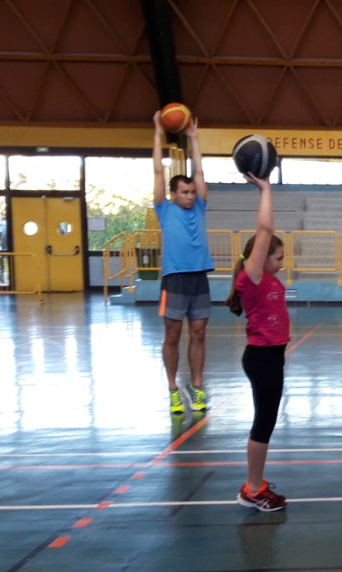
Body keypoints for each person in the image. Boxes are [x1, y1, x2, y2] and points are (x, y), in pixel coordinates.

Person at [226, 174, 288, 512]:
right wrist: (265, 189)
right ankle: (252, 489)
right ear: (259, 258)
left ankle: (256, 484)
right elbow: (264, 230)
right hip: (262, 358)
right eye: (277, 257)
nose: (282, 262)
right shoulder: (251, 280)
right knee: (263, 423)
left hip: (272, 358)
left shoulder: (272, 282)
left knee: (267, 421)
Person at [152, 110, 214, 414]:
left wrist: (193, 138)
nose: (190, 196)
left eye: (191, 192)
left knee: (199, 334)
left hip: (198, 278)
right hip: (174, 279)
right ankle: (173, 389)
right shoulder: (164, 209)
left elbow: (199, 173)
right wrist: (158, 133)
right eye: (185, 192)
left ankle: (198, 386)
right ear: (174, 194)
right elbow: (157, 172)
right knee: (172, 335)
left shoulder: (199, 207)